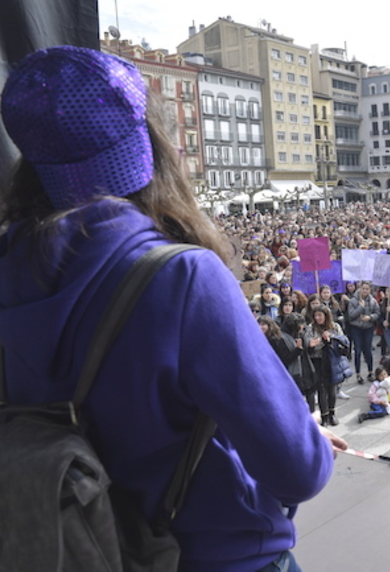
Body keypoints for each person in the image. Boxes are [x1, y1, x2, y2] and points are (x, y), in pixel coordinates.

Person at [0, 45, 344, 571]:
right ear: (151, 147)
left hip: (68, 546)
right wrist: (308, 437)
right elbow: (298, 470)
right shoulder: (182, 277)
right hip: (215, 556)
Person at [306, 305, 347, 427]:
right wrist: (320, 342)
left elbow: (343, 342)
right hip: (318, 360)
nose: (318, 318)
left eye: (320, 315)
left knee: (332, 389)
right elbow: (310, 345)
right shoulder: (311, 328)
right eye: (316, 315)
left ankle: (332, 413)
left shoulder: (335, 327)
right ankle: (324, 416)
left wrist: (331, 339)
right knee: (321, 389)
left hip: (332, 360)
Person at [347, 281, 381, 384]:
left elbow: (377, 313)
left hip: (368, 328)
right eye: (363, 288)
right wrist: (360, 307)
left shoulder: (372, 301)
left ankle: (370, 372)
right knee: (357, 351)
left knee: (368, 350)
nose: (365, 291)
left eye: (367, 289)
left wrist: (370, 317)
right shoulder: (353, 300)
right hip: (356, 328)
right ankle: (358, 374)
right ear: (360, 289)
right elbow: (351, 315)